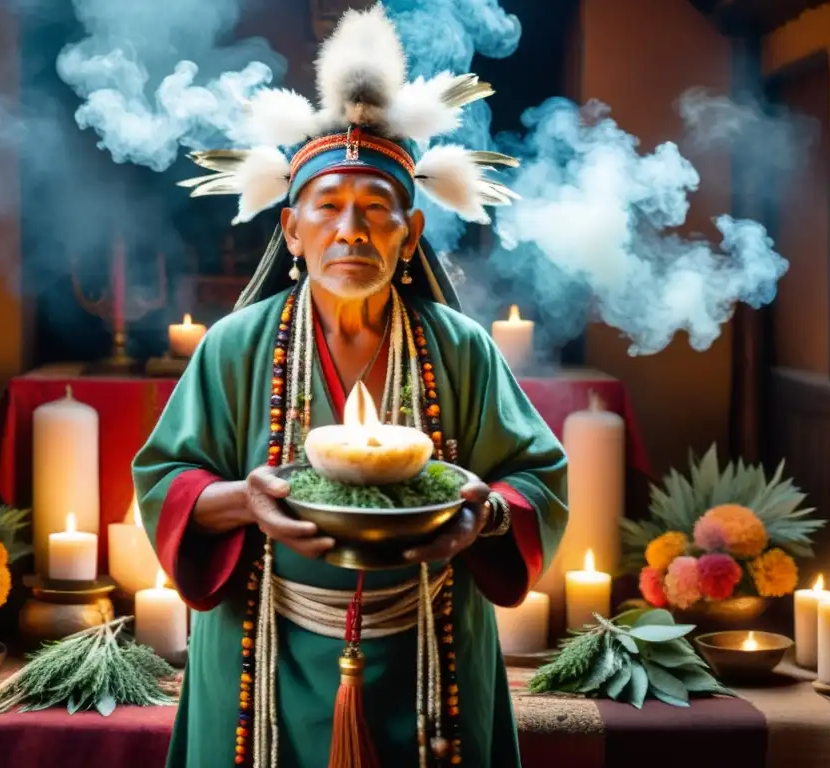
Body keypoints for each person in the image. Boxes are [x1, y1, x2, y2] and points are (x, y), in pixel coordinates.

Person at [132, 5, 569, 767]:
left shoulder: (460, 348)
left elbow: (538, 478)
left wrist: (486, 517)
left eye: (376, 211)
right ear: (292, 232)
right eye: (327, 209)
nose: (351, 231)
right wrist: (245, 500)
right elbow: (166, 477)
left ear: (410, 234)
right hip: (261, 651)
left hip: (427, 657)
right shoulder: (236, 346)